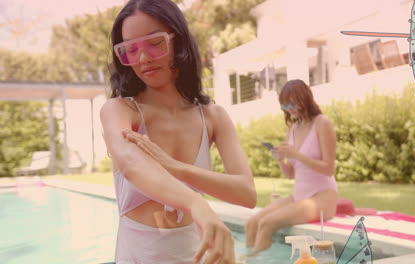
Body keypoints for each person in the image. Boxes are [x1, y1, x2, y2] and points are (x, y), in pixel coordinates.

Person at [100, 0, 256, 263]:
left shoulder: (213, 116)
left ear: (178, 41)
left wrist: (177, 168)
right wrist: (196, 203)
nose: (143, 58)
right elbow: (130, 163)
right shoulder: (120, 111)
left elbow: (247, 193)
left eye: (154, 42)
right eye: (130, 49)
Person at [244, 79, 338, 253]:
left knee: (266, 223)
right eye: (284, 106)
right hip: (299, 196)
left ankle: (252, 261)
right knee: (251, 223)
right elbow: (290, 174)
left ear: (304, 100)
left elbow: (328, 168)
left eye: (291, 104)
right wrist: (280, 158)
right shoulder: (293, 128)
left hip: (323, 197)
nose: (289, 110)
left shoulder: (322, 123)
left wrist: (297, 155)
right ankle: (246, 259)